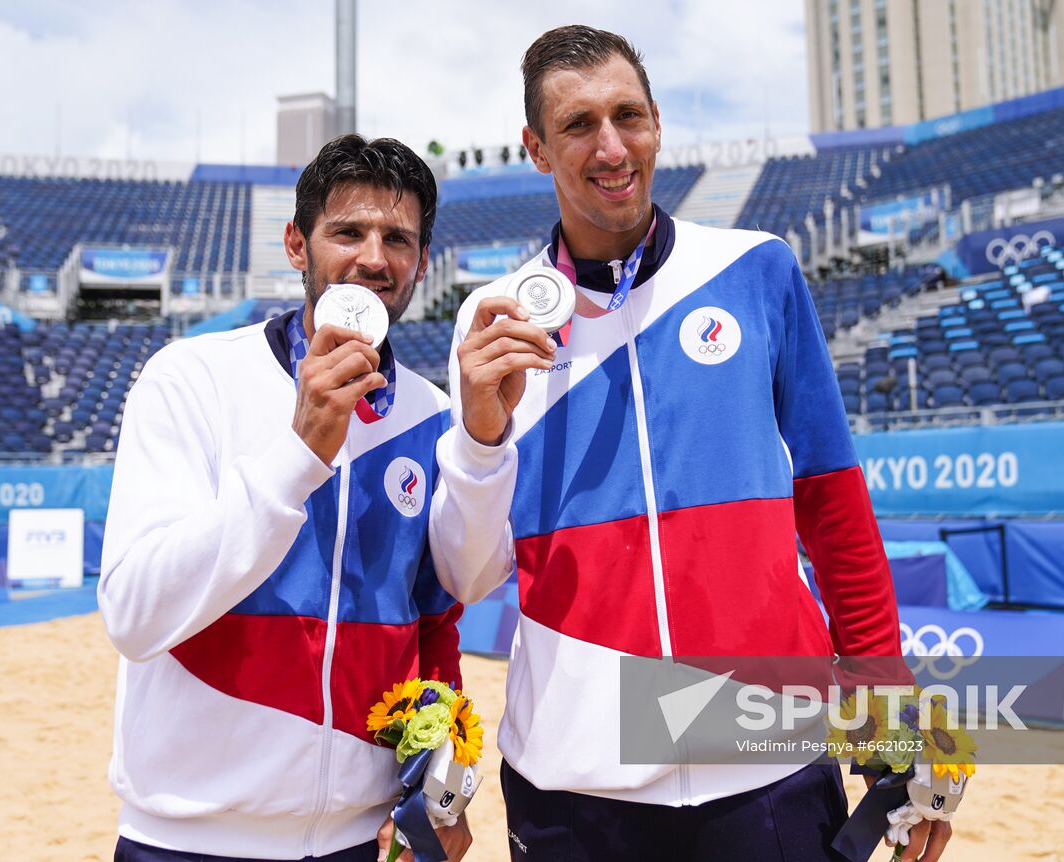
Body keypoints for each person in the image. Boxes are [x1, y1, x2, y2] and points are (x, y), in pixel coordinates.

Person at [430, 25, 949, 862]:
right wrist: (482, 439)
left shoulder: (757, 269)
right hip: (572, 786)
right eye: (578, 125)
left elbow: (835, 511)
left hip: (767, 768)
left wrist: (890, 715)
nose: (610, 146)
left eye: (627, 115)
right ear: (535, 147)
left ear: (658, 122)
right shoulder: (493, 319)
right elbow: (470, 570)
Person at [99, 134, 480, 862]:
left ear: (420, 264)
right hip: (187, 839)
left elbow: (437, 630)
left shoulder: (433, 415)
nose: (373, 256)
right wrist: (297, 455)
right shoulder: (191, 378)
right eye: (347, 231)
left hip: (363, 841)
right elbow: (133, 615)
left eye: (396, 238)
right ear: (297, 245)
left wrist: (447, 792)